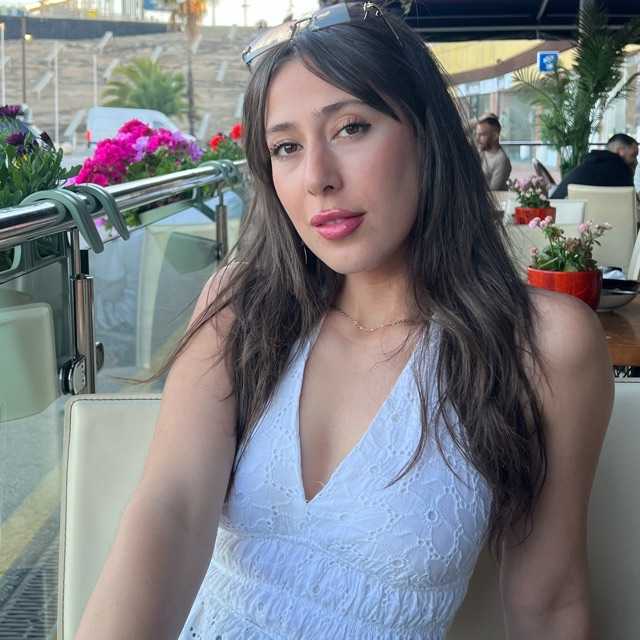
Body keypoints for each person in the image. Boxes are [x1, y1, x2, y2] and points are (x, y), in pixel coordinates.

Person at [75, 3, 613, 639]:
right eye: (287, 147)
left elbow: (548, 603)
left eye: (351, 128)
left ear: (427, 134)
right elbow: (172, 510)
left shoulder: (542, 345)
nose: (317, 179)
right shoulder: (242, 307)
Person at [551, 133, 638, 199]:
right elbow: (630, 203)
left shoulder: (588, 164)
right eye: (633, 155)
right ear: (620, 151)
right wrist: (631, 173)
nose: (635, 161)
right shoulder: (621, 171)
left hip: (555, 213)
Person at [475, 112, 512, 190]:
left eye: (482, 135)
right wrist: (477, 120)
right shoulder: (481, 151)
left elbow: (493, 192)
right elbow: (458, 134)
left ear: (495, 136)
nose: (477, 139)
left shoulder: (501, 160)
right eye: (477, 134)